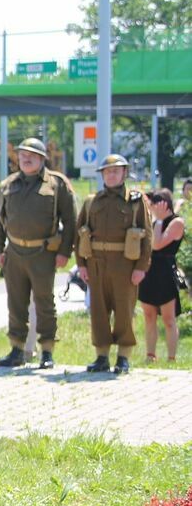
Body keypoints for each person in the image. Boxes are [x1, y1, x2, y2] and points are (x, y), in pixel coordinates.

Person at [0, 138, 76, 369]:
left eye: (31, 155)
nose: (25, 159)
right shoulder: (8, 184)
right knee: (16, 303)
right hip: (15, 253)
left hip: (43, 254)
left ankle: (46, 351)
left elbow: (70, 222)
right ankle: (16, 349)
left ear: (41, 159)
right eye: (22, 155)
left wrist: (64, 252)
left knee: (44, 303)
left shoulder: (56, 184)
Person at [74, 153, 153, 374]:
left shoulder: (136, 203)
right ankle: (101, 356)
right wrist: (81, 264)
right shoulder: (92, 202)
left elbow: (147, 238)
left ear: (124, 173)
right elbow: (79, 234)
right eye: (107, 172)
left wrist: (140, 268)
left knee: (124, 311)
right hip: (97, 264)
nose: (111, 175)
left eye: (115, 171)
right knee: (98, 311)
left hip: (125, 265)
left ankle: (123, 357)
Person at [139, 188, 184, 363]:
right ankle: (151, 355)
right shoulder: (150, 221)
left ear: (165, 204)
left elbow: (157, 244)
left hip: (165, 272)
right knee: (149, 315)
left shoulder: (176, 222)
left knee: (168, 318)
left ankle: (171, 358)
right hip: (149, 271)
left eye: (156, 204)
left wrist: (158, 221)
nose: (153, 208)